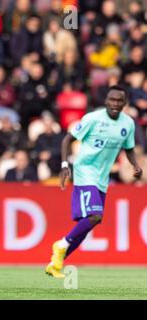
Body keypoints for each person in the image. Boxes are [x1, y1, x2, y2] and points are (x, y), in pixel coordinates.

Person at [45, 86, 143, 278]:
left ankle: (55, 264)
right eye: (111, 100)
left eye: (119, 101)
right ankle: (61, 245)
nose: (115, 104)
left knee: (88, 223)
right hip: (84, 171)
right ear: (106, 100)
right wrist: (65, 165)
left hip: (101, 177)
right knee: (95, 216)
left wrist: (135, 165)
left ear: (124, 103)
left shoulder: (128, 124)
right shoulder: (93, 119)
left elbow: (129, 147)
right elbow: (67, 139)